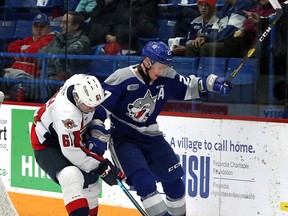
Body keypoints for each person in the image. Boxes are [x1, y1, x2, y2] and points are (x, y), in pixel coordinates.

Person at [93, 41, 233, 216]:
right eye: (159, 67)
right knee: (145, 182)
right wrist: (96, 135)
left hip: (152, 137)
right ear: (147, 62)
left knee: (176, 185)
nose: (162, 71)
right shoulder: (121, 78)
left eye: (165, 67)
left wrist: (213, 83)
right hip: (124, 138)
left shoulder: (167, 76)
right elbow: (100, 109)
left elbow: (188, 86)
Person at [30, 74, 125, 216]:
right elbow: (72, 152)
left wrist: (96, 124)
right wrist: (102, 166)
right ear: (77, 98)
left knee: (91, 185)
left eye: (94, 106)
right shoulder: (67, 115)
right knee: (71, 176)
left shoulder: (79, 82)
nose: (92, 110)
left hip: (74, 136)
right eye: (89, 106)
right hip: (48, 143)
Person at [2, 13, 55, 101]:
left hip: (30, 76)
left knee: (17, 88)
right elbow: (11, 47)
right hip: (14, 72)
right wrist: (24, 48)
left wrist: (22, 50)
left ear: (48, 28)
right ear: (32, 28)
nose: (39, 29)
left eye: (42, 26)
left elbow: (36, 50)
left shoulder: (50, 39)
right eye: (36, 26)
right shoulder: (28, 39)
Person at [188, 0, 254, 57]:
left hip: (234, 44)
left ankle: (211, 72)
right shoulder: (227, 6)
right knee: (192, 47)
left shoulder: (244, 4)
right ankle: (191, 71)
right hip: (222, 40)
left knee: (206, 48)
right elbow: (215, 28)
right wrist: (204, 38)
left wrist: (209, 39)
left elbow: (230, 32)